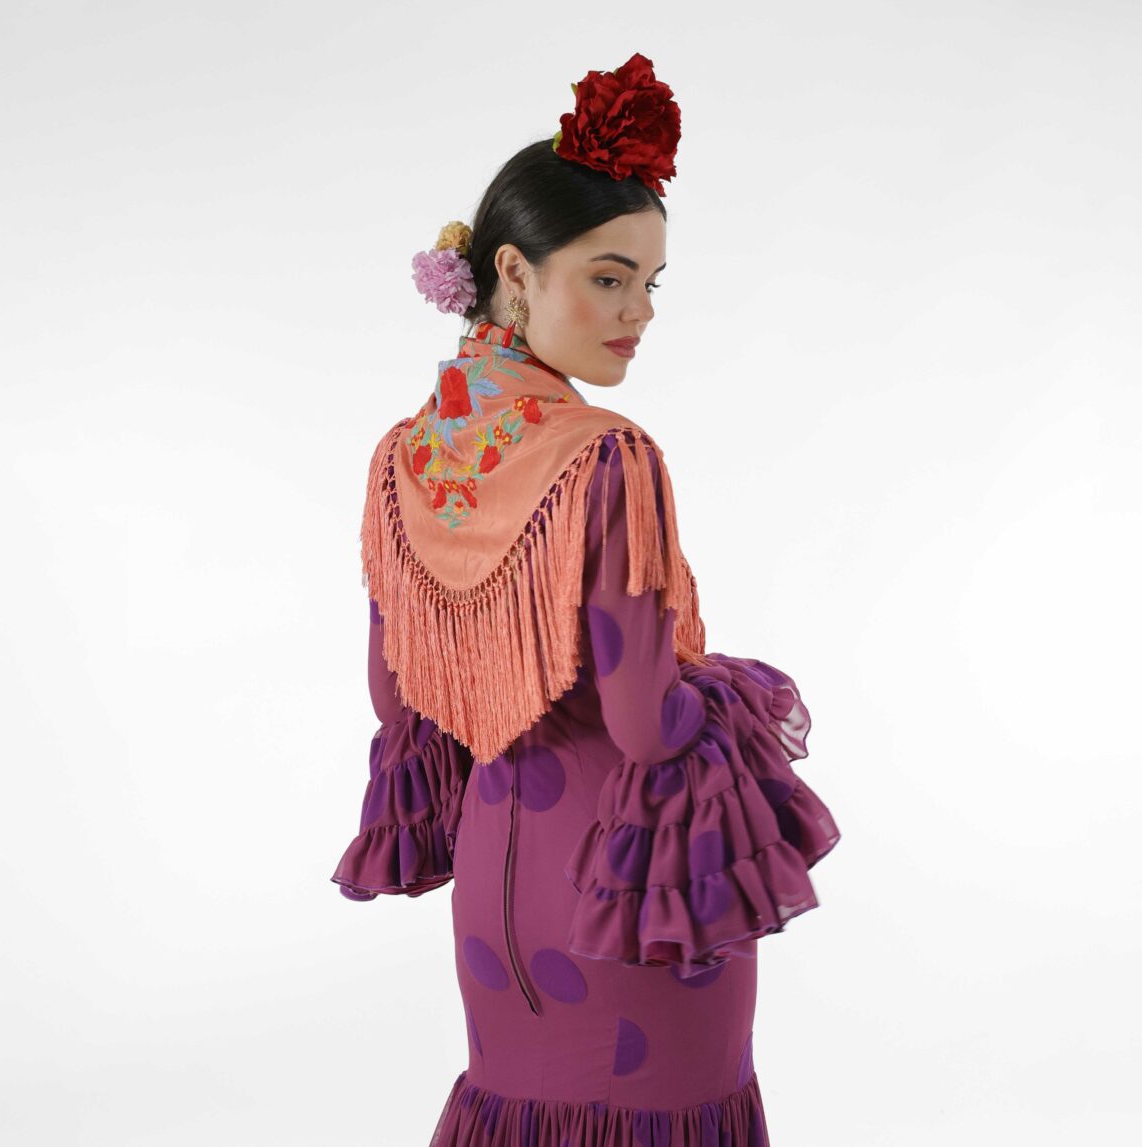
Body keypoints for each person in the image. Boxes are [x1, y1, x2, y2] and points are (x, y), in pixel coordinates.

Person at [330, 52, 841, 1146]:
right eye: (609, 278)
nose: (638, 312)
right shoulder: (606, 455)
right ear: (514, 272)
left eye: (651, 283)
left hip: (497, 896)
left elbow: (397, 701)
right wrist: (730, 693)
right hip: (629, 888)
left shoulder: (399, 458)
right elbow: (646, 724)